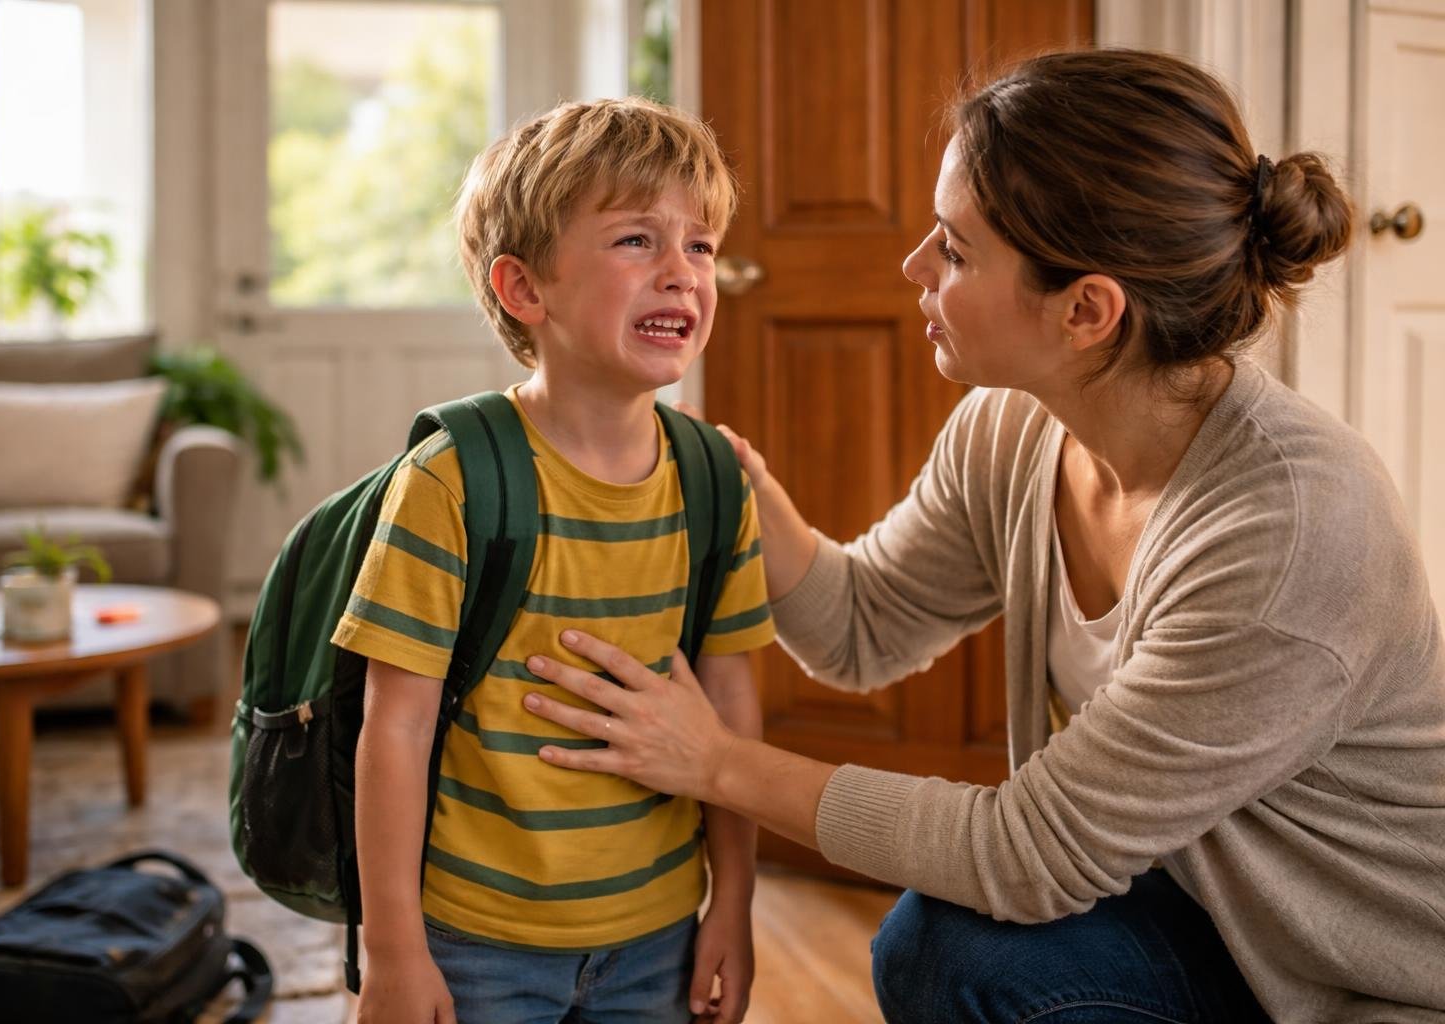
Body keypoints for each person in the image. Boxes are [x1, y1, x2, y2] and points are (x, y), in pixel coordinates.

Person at [519, 49, 1445, 1023]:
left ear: (1087, 310)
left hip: (1367, 983)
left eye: (955, 252)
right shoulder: (1020, 428)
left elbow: (1024, 853)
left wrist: (715, 762)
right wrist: (729, 483)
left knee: (967, 934)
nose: (913, 266)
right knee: (945, 948)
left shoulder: (1286, 534)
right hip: (1217, 915)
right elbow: (862, 627)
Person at [331, 97, 774, 1024]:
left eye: (699, 245)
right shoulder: (451, 479)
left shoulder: (714, 482)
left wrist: (731, 901)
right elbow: (395, 731)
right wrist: (393, 952)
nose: (681, 274)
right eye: (635, 241)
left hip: (660, 934)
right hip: (475, 940)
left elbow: (730, 708)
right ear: (525, 289)